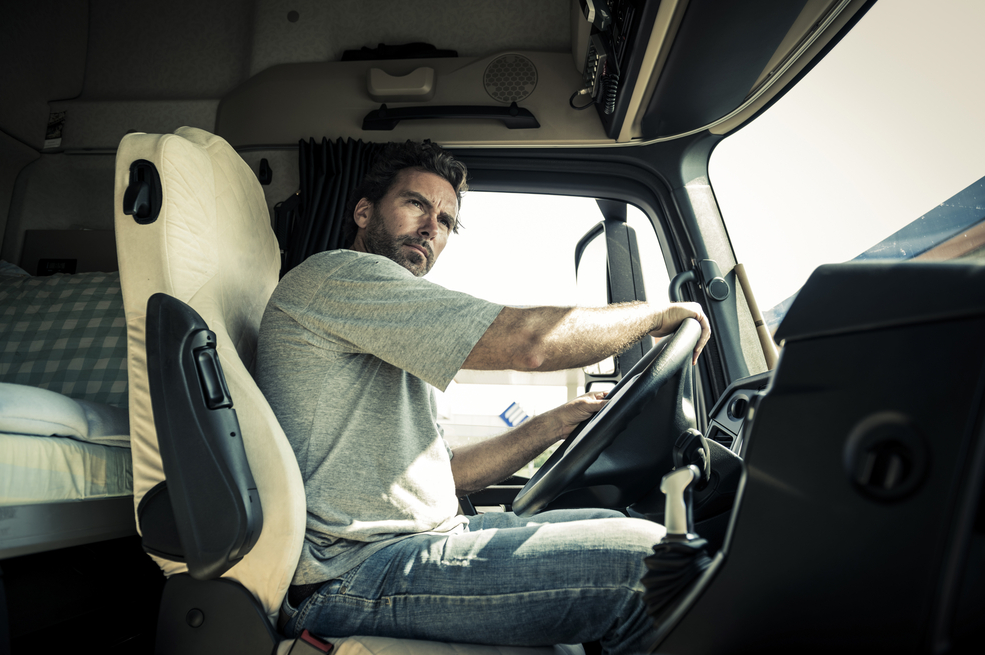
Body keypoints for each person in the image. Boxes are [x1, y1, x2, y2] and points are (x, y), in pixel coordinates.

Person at [255, 140, 711, 654]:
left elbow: (443, 476)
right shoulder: (340, 275)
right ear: (363, 212)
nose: (432, 227)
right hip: (351, 570)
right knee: (650, 567)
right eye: (416, 204)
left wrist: (556, 424)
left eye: (447, 221)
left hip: (421, 539)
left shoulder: (386, 324)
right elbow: (530, 343)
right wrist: (657, 315)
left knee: (619, 528)